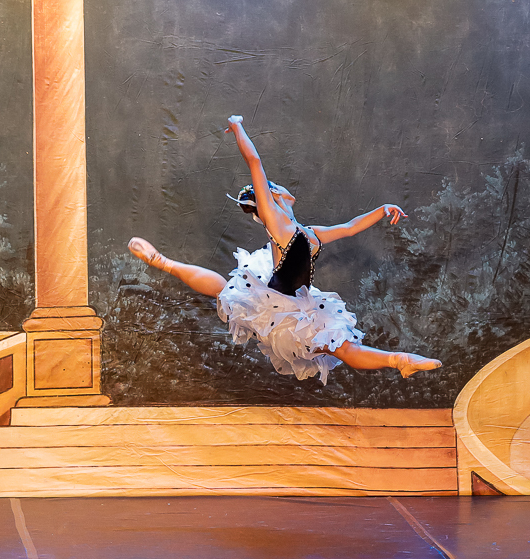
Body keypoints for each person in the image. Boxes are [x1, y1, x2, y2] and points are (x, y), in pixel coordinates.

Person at [128, 114, 441, 384]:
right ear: (273, 194)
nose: (280, 187)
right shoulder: (276, 221)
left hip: (301, 305)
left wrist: (383, 209)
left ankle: (400, 361)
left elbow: (349, 227)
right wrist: (237, 126)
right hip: (280, 309)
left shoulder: (310, 233)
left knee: (342, 348)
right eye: (273, 187)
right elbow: (254, 161)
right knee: (227, 292)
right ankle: (161, 261)